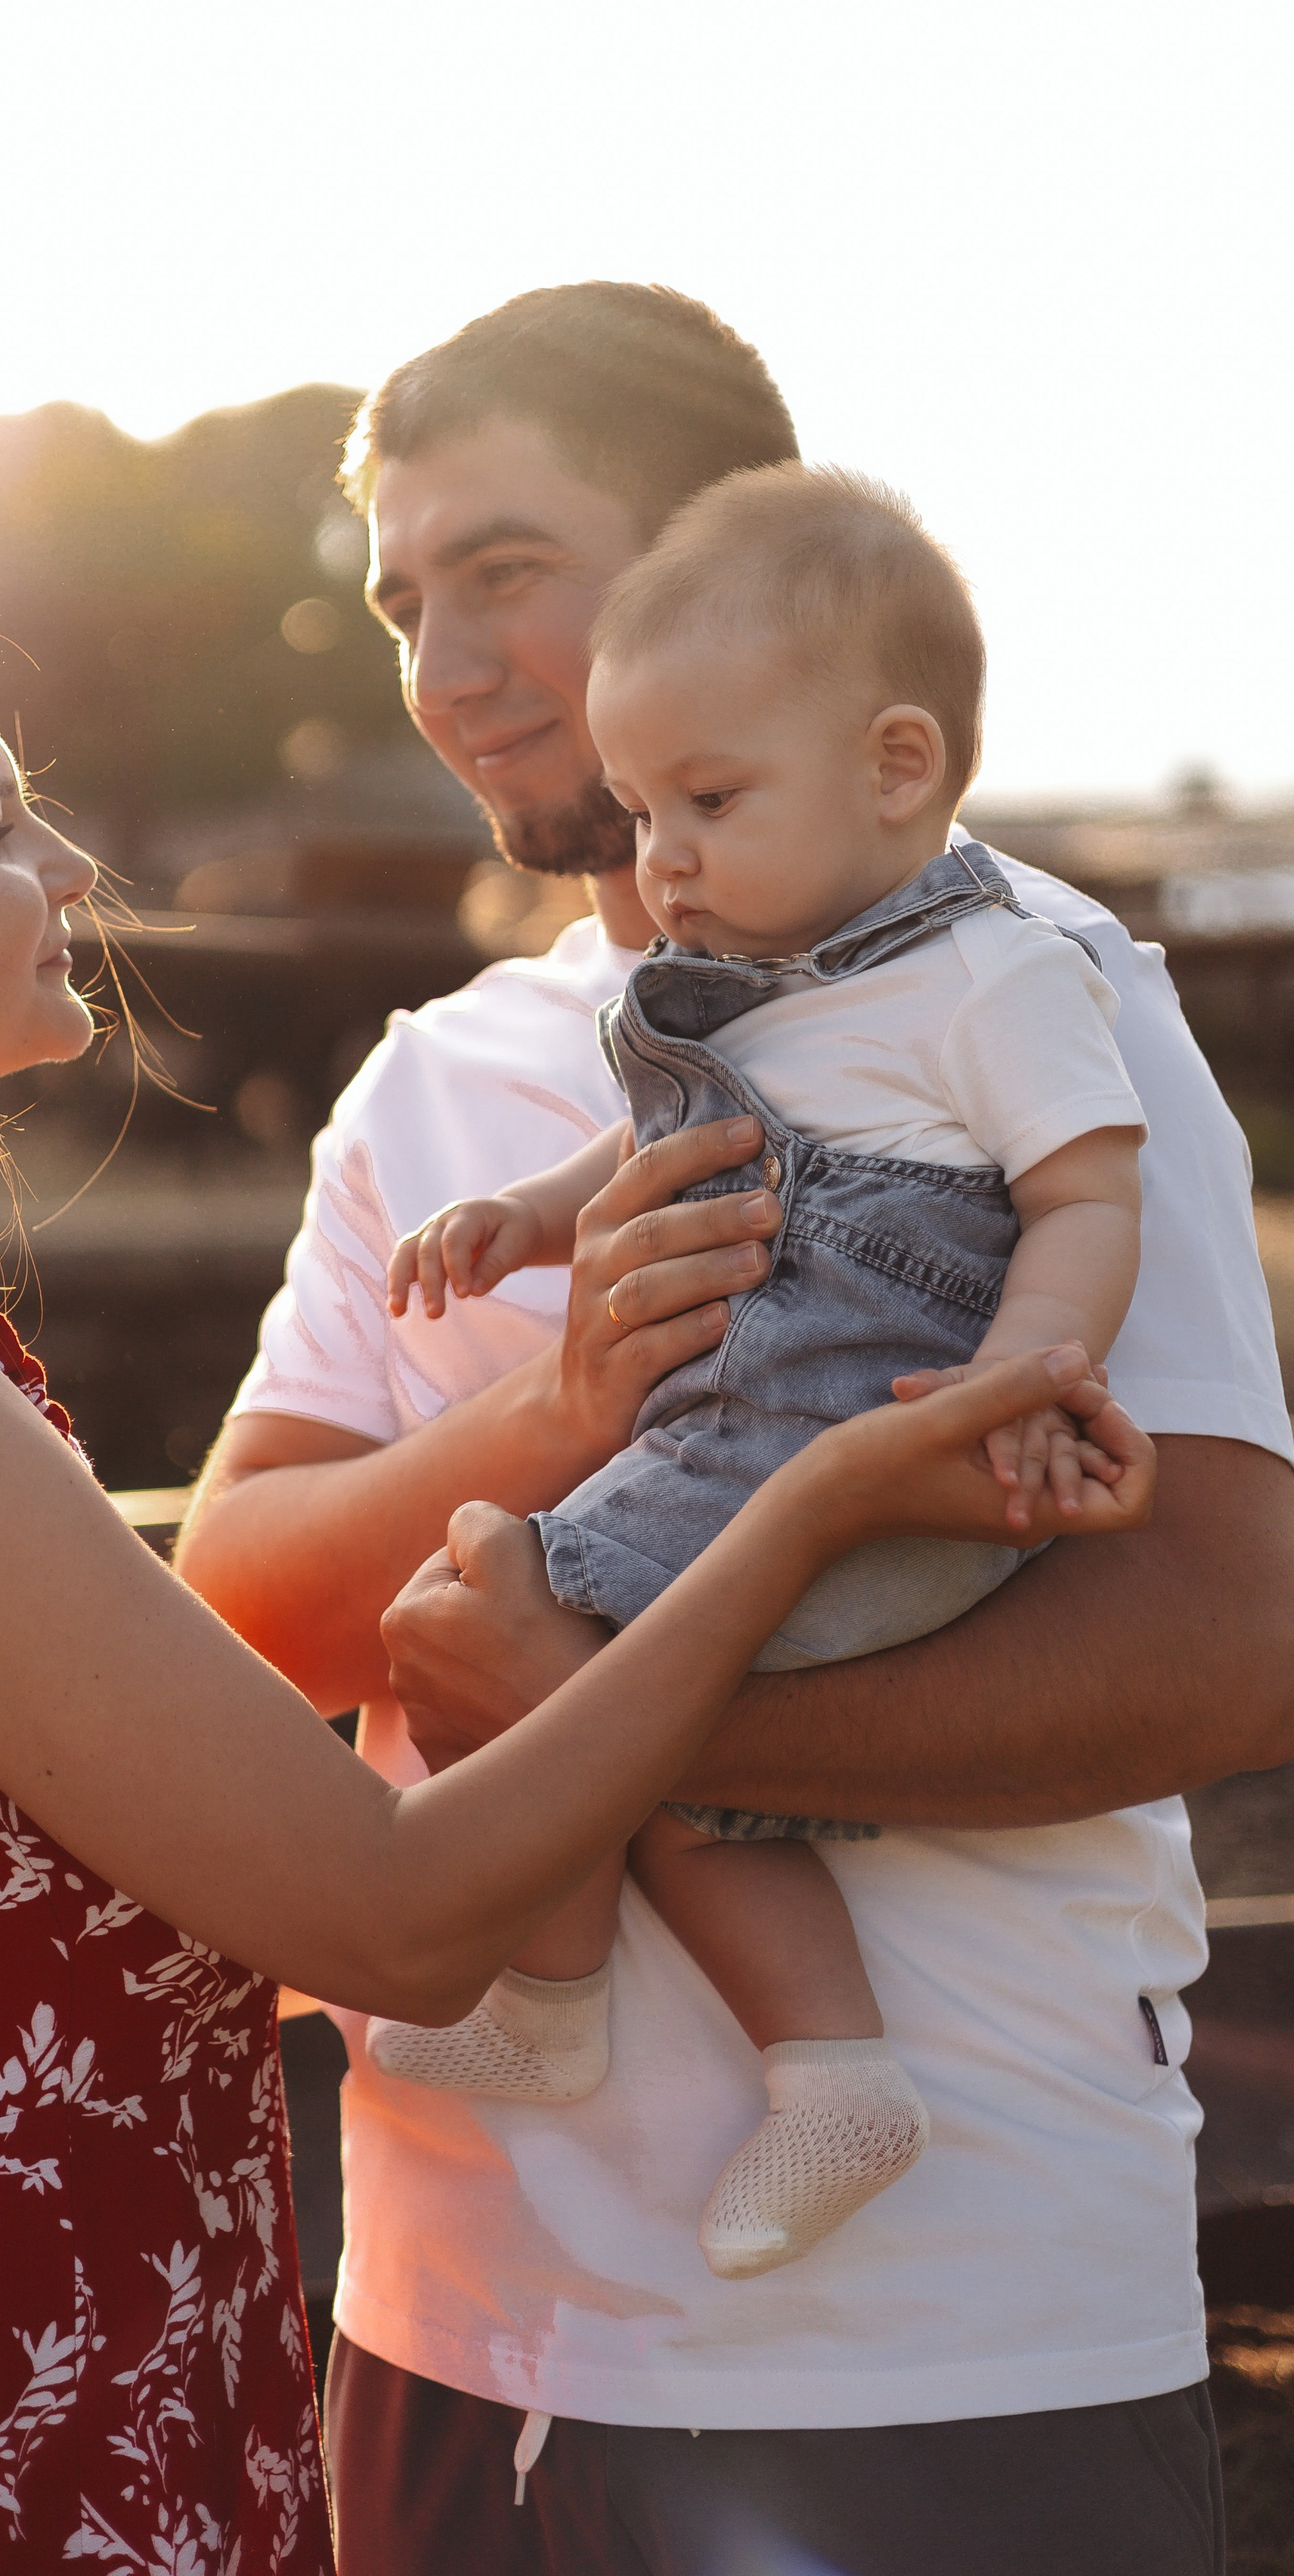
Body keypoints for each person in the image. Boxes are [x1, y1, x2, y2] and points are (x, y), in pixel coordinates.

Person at [0, 535, 1105, 2571]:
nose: (69, 878)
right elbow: (393, 1919)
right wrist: (818, 1499)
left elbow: (83, 1921)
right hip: (7, 2445)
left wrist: (564, 1422)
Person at [174, 282, 1294, 2574]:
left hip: (952, 2338)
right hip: (456, 2322)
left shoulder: (1041, 988)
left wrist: (587, 1722)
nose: (448, 659)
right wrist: (562, 1415)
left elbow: (1222, 1643)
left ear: (724, 547)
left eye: (505, 568)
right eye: (405, 600)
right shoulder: (433, 1086)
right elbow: (240, 1618)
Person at [366, 465, 1147, 2288]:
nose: (664, 859)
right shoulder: (752, 989)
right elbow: (673, 1159)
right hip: (753, 1442)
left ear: (894, 768)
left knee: (526, 1626)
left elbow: (1083, 1199)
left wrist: (1024, 1384)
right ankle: (794, 2064)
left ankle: (582, 1996)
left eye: (707, 802)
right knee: (639, 1730)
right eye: (642, 811)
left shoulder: (994, 976)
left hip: (879, 1444)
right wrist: (527, 1216)